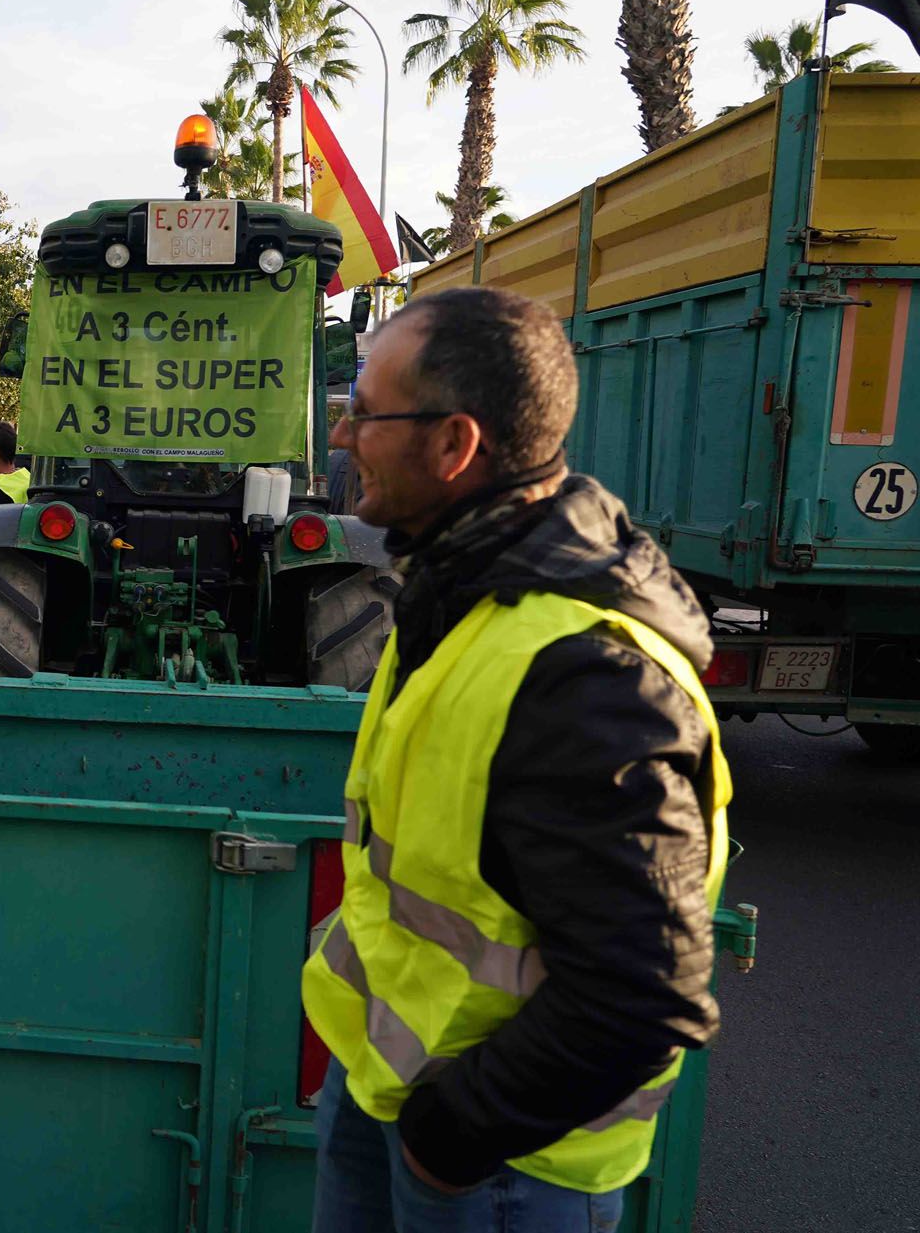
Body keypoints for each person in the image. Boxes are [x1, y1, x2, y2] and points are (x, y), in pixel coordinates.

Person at [303, 286, 729, 1232]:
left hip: (499, 1168)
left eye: (365, 413)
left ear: (454, 446)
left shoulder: (589, 675)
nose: (342, 438)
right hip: (390, 1097)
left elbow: (644, 993)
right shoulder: (459, 593)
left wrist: (449, 1139)